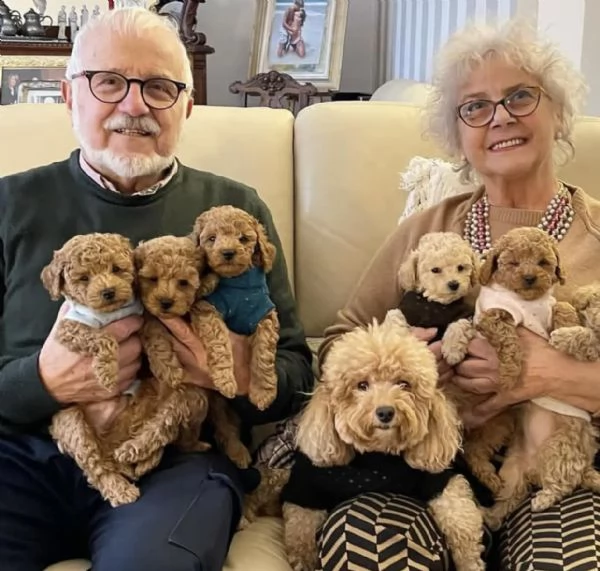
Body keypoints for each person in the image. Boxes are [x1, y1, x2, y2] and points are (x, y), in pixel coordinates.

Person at [0, 7, 313, 571]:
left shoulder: (235, 212)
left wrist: (240, 368)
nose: (135, 105)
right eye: (110, 81)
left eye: (160, 87)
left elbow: (296, 369)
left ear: (187, 106)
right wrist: (41, 381)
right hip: (19, 458)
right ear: (70, 96)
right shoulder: (9, 204)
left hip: (177, 461)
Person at [316, 20, 600, 570]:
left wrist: (546, 375)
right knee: (367, 551)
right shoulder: (430, 228)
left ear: (558, 113)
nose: (500, 117)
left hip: (558, 474)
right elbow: (334, 342)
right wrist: (403, 367)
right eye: (476, 107)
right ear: (458, 133)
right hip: (417, 465)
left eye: (520, 96)